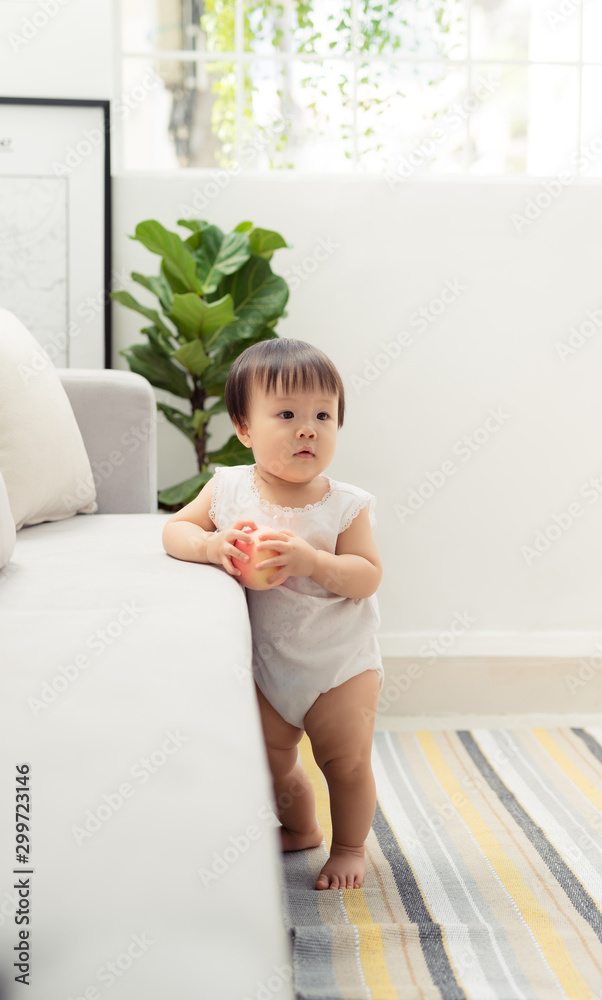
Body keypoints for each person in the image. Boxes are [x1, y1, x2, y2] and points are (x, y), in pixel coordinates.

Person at [162, 338, 384, 890]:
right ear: (243, 429)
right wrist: (212, 547)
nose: (307, 428)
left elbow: (367, 575)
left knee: (347, 763)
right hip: (270, 667)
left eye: (322, 415)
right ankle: (302, 828)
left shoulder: (343, 504)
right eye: (286, 414)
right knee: (273, 761)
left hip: (340, 666)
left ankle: (350, 847)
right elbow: (174, 529)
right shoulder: (229, 488)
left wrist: (313, 560)